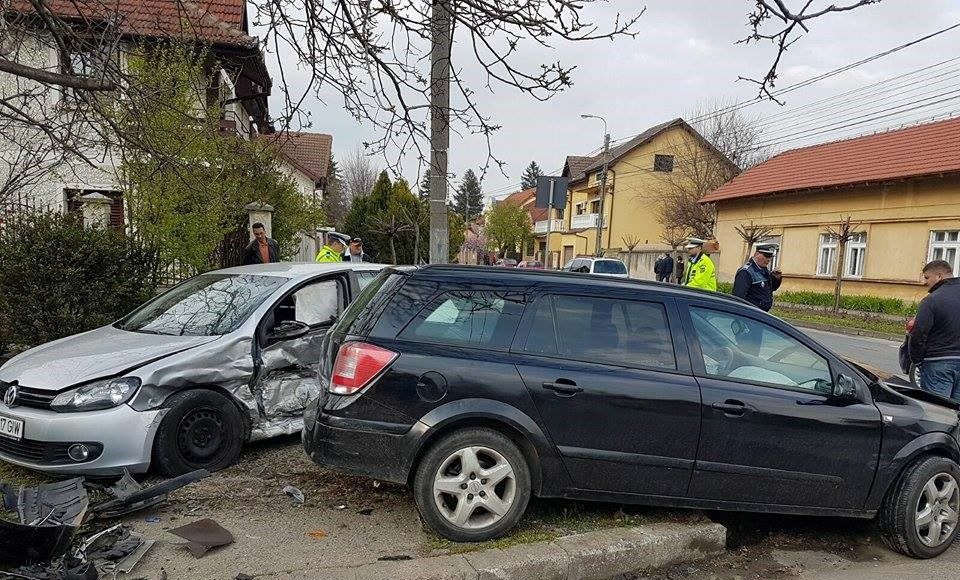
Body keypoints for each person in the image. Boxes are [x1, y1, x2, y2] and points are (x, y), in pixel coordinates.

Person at [909, 260, 960, 400]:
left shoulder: (931, 300)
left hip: (938, 362)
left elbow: (918, 334)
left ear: (939, 276)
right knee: (957, 414)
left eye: (926, 277)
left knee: (937, 412)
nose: (925, 282)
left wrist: (917, 360)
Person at [732, 244, 783, 311]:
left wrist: (777, 279)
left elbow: (771, 288)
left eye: (770, 256)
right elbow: (738, 297)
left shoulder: (764, 270)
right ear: (756, 254)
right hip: (750, 313)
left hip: (761, 313)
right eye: (766, 256)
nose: (768, 259)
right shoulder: (746, 272)